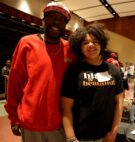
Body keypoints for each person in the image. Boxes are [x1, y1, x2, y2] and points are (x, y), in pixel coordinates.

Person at [4, 1, 76, 142]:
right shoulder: (26, 43)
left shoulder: (70, 49)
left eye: (61, 19)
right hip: (31, 123)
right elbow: (14, 83)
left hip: (60, 124)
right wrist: (13, 117)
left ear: (66, 25)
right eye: (51, 17)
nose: (56, 22)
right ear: (43, 20)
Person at [61, 23, 124, 142]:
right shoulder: (74, 71)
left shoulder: (114, 70)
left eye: (95, 41)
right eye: (85, 43)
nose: (90, 45)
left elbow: (119, 103)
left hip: (105, 137)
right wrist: (71, 138)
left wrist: (113, 132)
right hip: (80, 138)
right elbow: (66, 108)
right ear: (79, 47)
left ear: (101, 44)